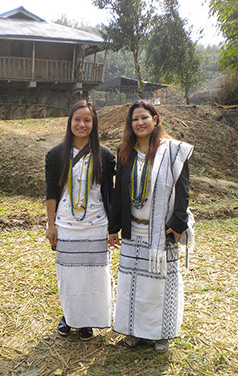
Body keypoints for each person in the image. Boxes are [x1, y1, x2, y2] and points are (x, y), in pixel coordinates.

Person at [108, 100, 194, 352]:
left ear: (155, 119)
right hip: (134, 230)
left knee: (160, 286)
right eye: (135, 119)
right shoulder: (125, 153)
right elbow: (118, 194)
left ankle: (160, 334)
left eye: (144, 117)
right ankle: (134, 331)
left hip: (161, 232)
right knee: (133, 285)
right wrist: (113, 227)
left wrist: (177, 225)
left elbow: (183, 191)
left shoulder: (174, 151)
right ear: (130, 125)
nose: (140, 122)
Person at [45, 100, 115, 341]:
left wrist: (112, 226)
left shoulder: (105, 155)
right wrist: (51, 224)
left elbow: (109, 192)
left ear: (93, 124)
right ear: (70, 122)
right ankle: (69, 316)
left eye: (87, 120)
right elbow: (51, 192)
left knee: (93, 276)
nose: (82, 124)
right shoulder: (55, 154)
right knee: (69, 276)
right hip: (66, 224)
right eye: (77, 119)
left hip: (96, 224)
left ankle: (88, 321)